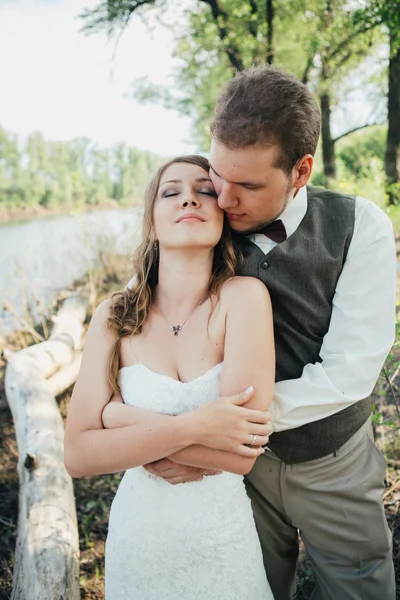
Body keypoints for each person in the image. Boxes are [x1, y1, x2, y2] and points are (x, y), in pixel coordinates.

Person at [145, 67, 397, 600]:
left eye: (250, 186)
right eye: (219, 174)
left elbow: (349, 373)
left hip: (332, 460)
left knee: (360, 589)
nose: (225, 198)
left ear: (301, 170)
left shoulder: (361, 227)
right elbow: (139, 308)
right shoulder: (201, 214)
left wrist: (217, 426)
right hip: (231, 476)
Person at [64, 154, 276, 599]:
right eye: (171, 192)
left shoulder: (244, 299)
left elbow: (240, 454)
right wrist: (196, 426)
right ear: (153, 222)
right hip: (140, 539)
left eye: (204, 190)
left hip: (222, 541)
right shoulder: (114, 315)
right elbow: (79, 454)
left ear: (223, 215)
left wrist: (119, 419)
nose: (189, 200)